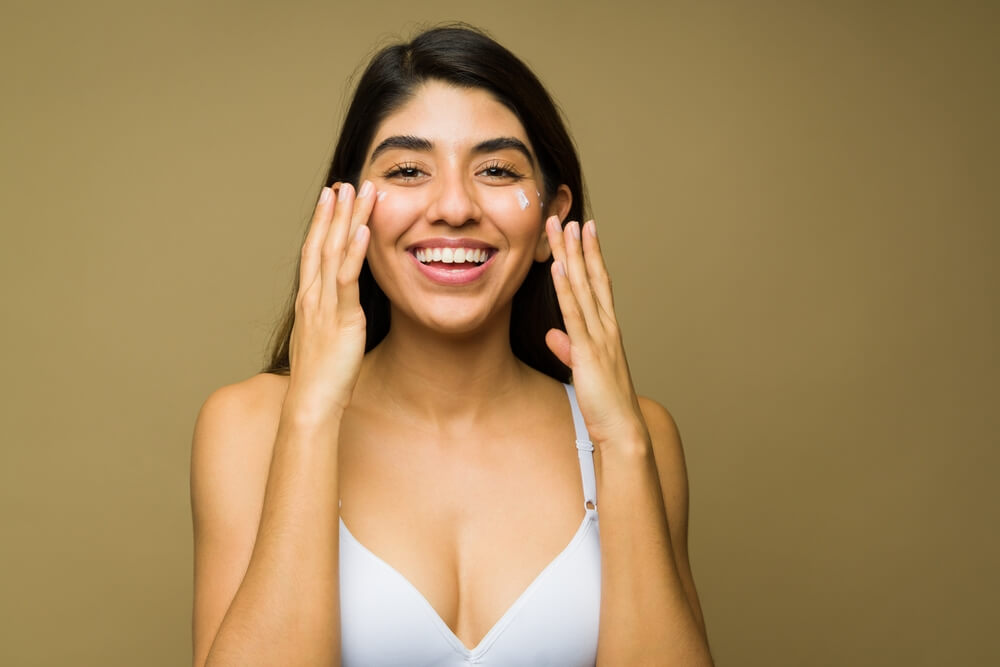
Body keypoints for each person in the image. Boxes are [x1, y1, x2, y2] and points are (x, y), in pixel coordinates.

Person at [190, 24, 713, 667]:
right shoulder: (248, 427)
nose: (455, 206)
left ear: (554, 220)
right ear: (347, 208)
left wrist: (620, 443)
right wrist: (312, 415)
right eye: (408, 169)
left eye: (496, 169)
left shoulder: (642, 437)